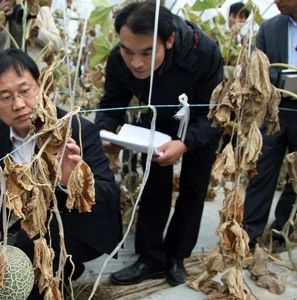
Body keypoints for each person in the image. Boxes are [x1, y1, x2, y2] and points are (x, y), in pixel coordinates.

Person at [0, 49, 122, 299]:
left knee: (29, 249)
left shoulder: (78, 129)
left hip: (83, 226)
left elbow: (110, 199)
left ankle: (58, 273)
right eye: (5, 97)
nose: (19, 104)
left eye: (25, 91)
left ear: (41, 85)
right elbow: (0, 187)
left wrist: (73, 181)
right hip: (35, 222)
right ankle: (64, 270)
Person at [95, 2, 224, 286]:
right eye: (127, 51)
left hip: (199, 119)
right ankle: (151, 258)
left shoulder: (203, 52)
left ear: (169, 40)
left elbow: (214, 113)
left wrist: (186, 143)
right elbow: (112, 102)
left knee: (194, 185)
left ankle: (177, 255)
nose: (136, 62)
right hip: (157, 118)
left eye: (147, 52)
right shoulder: (120, 58)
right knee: (153, 183)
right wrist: (104, 133)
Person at [242, 0, 297, 250]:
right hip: (275, 109)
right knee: (262, 170)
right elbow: (257, 70)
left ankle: (281, 230)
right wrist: (281, 80)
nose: (276, 1)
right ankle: (249, 233)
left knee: (296, 177)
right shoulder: (269, 28)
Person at [0, 0, 63, 70]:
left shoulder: (43, 11)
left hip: (35, 74)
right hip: (7, 73)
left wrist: (34, 28)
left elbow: (58, 45)